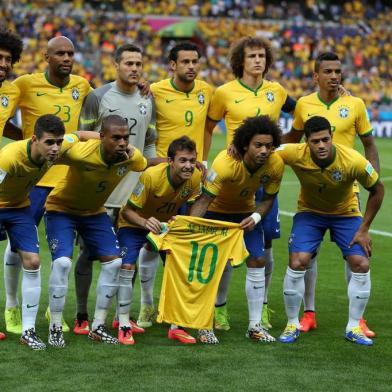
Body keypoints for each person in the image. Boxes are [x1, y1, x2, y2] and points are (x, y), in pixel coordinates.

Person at [283, 52, 380, 338]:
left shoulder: (355, 104)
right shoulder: (304, 104)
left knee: (356, 257)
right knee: (306, 256)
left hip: (347, 189)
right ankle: (308, 313)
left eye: (338, 71)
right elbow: (291, 140)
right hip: (312, 191)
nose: (335, 76)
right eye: (328, 71)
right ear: (316, 76)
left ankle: (357, 321)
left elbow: (369, 143)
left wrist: (370, 174)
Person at [205, 36, 296, 331]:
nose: (258, 61)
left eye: (261, 56)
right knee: (226, 247)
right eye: (252, 56)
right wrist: (206, 160)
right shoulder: (224, 92)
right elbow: (208, 126)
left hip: (266, 176)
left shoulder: (277, 91)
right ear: (240, 62)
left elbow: (303, 113)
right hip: (235, 175)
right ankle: (219, 308)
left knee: (265, 246)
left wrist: (282, 147)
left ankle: (263, 306)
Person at [4, 36, 92, 335]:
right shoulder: (24, 85)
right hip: (34, 179)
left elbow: (102, 105)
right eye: (60, 53)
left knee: (62, 252)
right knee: (20, 245)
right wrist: (22, 138)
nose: (67, 58)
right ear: (46, 56)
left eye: (71, 53)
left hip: (68, 179)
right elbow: (3, 117)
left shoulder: (82, 85)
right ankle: (12, 304)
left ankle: (54, 309)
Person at [277, 116, 384, 346]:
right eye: (315, 141)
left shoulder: (352, 160)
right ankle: (292, 323)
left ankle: (354, 326)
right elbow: (267, 147)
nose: (321, 145)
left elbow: (378, 190)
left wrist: (364, 229)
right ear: (306, 142)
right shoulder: (294, 152)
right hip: (310, 212)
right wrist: (238, 147)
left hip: (346, 213)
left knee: (361, 263)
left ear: (332, 137)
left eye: (325, 139)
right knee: (297, 262)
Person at [74, 43, 158, 335]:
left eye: (139, 63)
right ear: (116, 65)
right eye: (129, 63)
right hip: (100, 192)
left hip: (132, 194)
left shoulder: (149, 99)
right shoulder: (97, 97)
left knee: (128, 256)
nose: (134, 68)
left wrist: (147, 172)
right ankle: (82, 315)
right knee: (88, 253)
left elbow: (149, 143)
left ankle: (121, 316)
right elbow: (83, 141)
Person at [44, 114, 148, 347]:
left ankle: (98, 326)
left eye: (126, 138)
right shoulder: (80, 153)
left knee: (113, 263)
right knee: (62, 263)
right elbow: (53, 153)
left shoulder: (130, 157)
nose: (122, 143)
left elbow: (141, 163)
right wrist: (75, 136)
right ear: (102, 137)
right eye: (116, 138)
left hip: (93, 212)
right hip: (61, 208)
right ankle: (55, 327)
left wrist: (131, 150)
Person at [137, 41, 213, 328]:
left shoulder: (207, 91)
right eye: (185, 62)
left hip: (191, 179)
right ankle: (146, 305)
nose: (191, 66)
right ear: (173, 65)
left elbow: (210, 125)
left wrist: (202, 160)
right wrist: (154, 161)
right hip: (160, 174)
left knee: (180, 244)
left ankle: (178, 311)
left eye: (195, 61)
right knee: (149, 241)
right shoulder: (154, 91)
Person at [190, 115, 284, 343]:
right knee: (210, 267)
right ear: (244, 145)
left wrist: (255, 216)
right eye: (258, 145)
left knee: (257, 260)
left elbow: (268, 199)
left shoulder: (275, 164)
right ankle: (204, 325)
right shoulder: (225, 163)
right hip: (216, 213)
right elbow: (204, 200)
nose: (264, 151)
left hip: (245, 214)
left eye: (269, 146)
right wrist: (190, 229)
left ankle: (255, 327)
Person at [0, 114, 86, 349]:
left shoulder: (57, 147)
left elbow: (79, 135)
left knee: (33, 261)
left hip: (19, 209)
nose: (56, 148)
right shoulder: (9, 157)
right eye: (50, 142)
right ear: (34, 139)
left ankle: (27, 331)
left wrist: (122, 145)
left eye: (58, 142)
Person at [116, 136, 201, 345]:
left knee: (180, 266)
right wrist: (145, 223)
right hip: (134, 224)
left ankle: (176, 326)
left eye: (192, 160)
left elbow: (193, 205)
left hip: (163, 227)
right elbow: (127, 212)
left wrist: (181, 221)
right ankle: (123, 322)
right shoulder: (151, 177)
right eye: (182, 160)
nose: (188, 166)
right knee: (127, 266)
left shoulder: (195, 178)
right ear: (170, 161)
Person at [0, 28, 23, 140]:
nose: (3, 64)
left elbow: (3, 124)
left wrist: (28, 138)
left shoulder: (12, 92)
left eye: (8, 59)